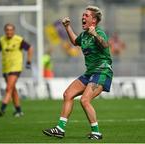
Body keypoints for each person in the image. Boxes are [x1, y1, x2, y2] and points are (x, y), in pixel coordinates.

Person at [42, 5, 113, 140]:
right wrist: (67, 27)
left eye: (86, 15)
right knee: (68, 94)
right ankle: (60, 129)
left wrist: (95, 35)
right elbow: (75, 42)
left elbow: (104, 45)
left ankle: (96, 132)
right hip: (89, 73)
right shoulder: (85, 35)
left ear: (94, 20)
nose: (83, 17)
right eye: (83, 15)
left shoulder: (99, 32)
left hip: (102, 72)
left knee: (85, 100)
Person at [0, 23, 33, 117]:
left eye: (11, 30)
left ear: (14, 31)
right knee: (12, 89)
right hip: (6, 68)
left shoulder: (18, 40)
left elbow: (30, 48)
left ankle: (2, 108)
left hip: (16, 67)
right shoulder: (2, 40)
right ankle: (18, 111)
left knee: (8, 88)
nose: (9, 32)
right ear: (5, 31)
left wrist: (28, 62)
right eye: (7, 30)